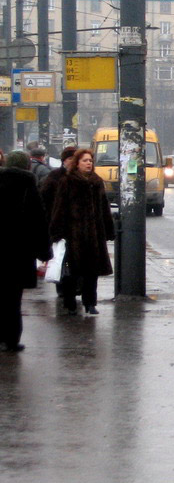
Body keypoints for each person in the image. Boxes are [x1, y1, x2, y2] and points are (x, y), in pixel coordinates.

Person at [49, 148, 115, 316]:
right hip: (73, 234)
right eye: (85, 160)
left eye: (90, 161)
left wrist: (108, 230)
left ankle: (90, 303)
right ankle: (70, 302)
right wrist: (56, 232)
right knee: (72, 271)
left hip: (94, 234)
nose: (88, 163)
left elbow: (104, 208)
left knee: (92, 272)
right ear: (77, 163)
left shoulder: (97, 181)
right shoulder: (67, 181)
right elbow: (59, 208)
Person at [0, 151, 52, 351]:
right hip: (18, 252)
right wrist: (45, 252)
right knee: (13, 299)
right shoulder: (27, 185)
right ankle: (11, 340)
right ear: (26, 166)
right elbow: (38, 221)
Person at [40, 146, 78, 297]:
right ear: (64, 161)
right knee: (62, 257)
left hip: (80, 227)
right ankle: (63, 288)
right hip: (60, 225)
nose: (72, 162)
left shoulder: (87, 177)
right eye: (70, 159)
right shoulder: (54, 177)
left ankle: (77, 287)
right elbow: (44, 199)